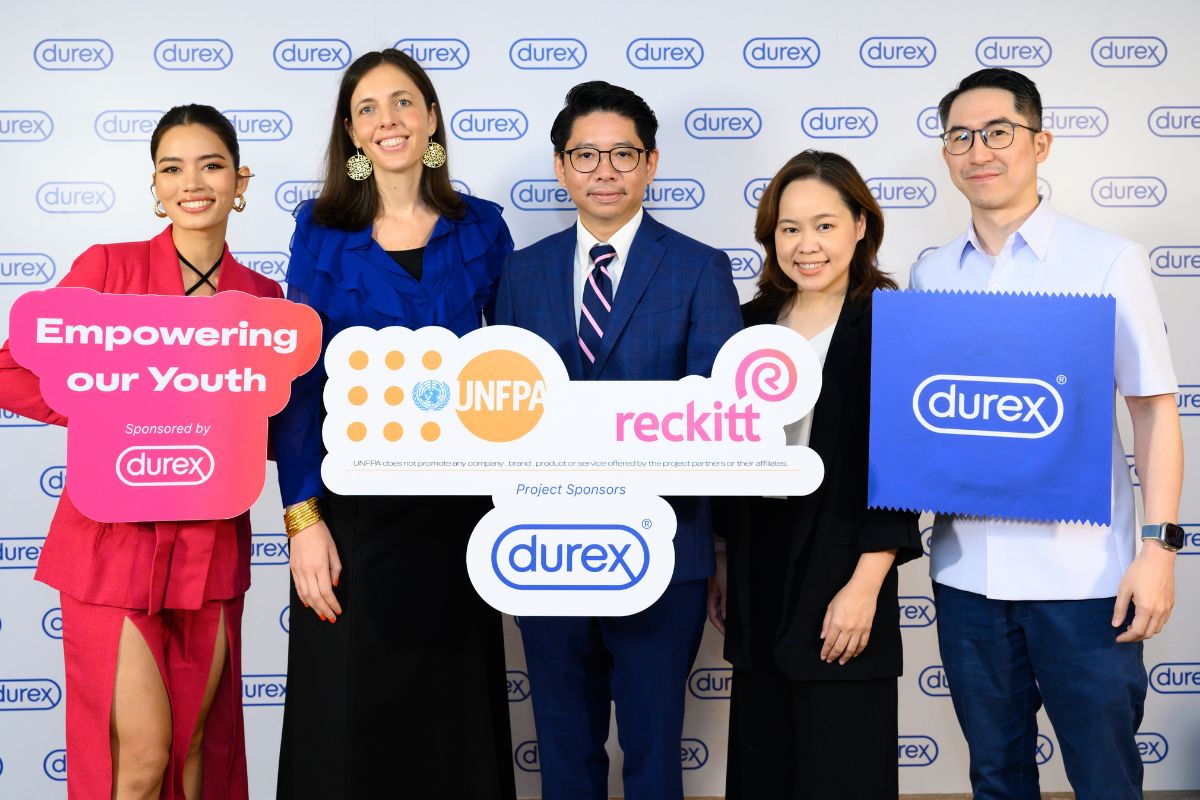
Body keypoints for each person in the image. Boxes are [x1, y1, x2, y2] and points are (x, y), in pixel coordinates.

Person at [911, 68, 1183, 799]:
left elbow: (1153, 409)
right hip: (967, 574)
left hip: (1086, 579)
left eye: (998, 132)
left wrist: (1158, 549)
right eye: (960, 137)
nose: (979, 151)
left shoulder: (1107, 260)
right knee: (996, 776)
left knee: (1104, 776)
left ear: (1040, 143)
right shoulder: (931, 274)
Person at [0, 105, 278, 800]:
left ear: (240, 180)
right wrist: (116, 411)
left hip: (212, 548)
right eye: (172, 168)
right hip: (111, 547)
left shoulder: (263, 299)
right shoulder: (109, 268)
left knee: (194, 755)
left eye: (211, 165)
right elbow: (14, 368)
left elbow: (274, 421)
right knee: (142, 759)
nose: (193, 183)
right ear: (155, 185)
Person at [272, 49, 516, 799]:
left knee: (452, 716)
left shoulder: (482, 227)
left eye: (404, 101)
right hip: (352, 509)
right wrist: (302, 515)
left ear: (431, 117)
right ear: (351, 132)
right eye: (368, 108)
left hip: (459, 510)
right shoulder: (319, 230)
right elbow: (300, 382)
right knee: (346, 719)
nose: (389, 120)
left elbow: (515, 366)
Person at [494, 80, 742, 800]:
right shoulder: (521, 272)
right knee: (563, 747)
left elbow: (718, 416)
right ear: (561, 165)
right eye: (586, 154)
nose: (605, 170)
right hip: (546, 548)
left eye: (623, 154)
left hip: (663, 547)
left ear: (651, 162)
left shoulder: (698, 268)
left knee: (654, 752)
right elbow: (502, 412)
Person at [705, 150, 922, 799]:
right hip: (759, 577)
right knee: (763, 771)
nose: (807, 245)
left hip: (844, 571)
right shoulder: (747, 326)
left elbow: (903, 471)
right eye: (790, 228)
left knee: (842, 770)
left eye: (825, 225)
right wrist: (723, 560)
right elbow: (726, 456)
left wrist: (865, 586)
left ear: (861, 225)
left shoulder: (894, 325)